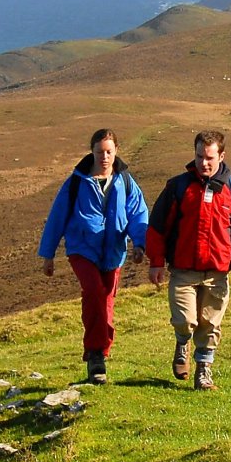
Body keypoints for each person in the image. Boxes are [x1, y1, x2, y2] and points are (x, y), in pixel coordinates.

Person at [146, 130, 231, 390]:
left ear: (221, 156)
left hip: (217, 272)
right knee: (186, 320)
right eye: (199, 156)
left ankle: (204, 372)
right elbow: (158, 227)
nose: (203, 163)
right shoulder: (177, 187)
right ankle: (182, 342)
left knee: (210, 324)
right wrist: (155, 262)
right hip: (183, 270)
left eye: (209, 157)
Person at [38, 128, 149, 384]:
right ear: (92, 152)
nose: (105, 157)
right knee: (94, 292)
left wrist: (140, 244)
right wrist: (48, 255)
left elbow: (138, 214)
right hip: (82, 249)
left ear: (116, 151)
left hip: (113, 250)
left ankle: (100, 352)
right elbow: (58, 217)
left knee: (106, 301)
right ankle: (96, 354)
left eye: (109, 152)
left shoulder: (125, 181)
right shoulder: (76, 182)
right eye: (100, 152)